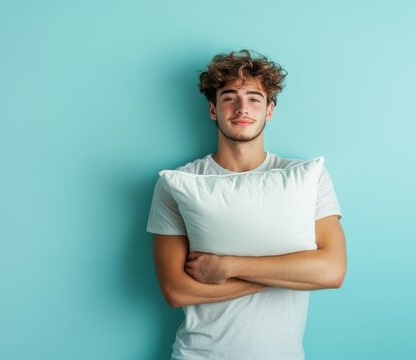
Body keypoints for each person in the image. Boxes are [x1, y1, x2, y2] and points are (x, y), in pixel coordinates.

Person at [146, 49, 347, 360]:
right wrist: (286, 276)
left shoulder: (307, 177)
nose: (242, 108)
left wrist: (229, 267)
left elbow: (331, 271)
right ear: (213, 109)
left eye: (254, 98)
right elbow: (176, 290)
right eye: (229, 97)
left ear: (269, 111)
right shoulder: (177, 181)